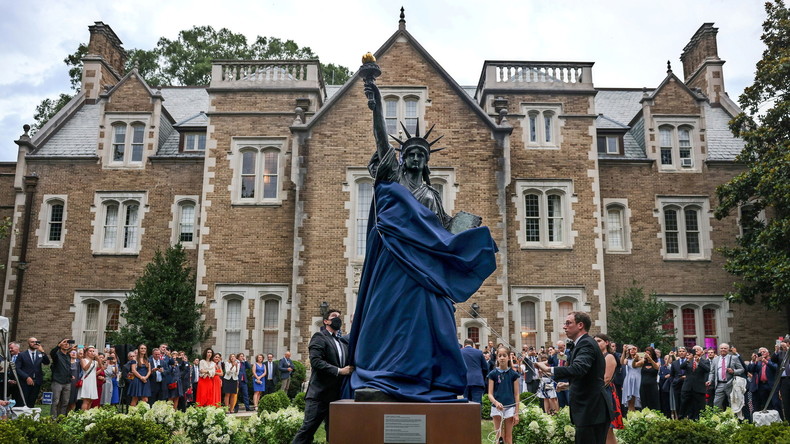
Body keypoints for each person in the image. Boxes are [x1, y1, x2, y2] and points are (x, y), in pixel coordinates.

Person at [347, 77, 497, 403]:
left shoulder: (431, 193)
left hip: (424, 266)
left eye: (421, 155)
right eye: (411, 153)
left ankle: (427, 375)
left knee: (432, 316)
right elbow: (382, 141)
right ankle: (382, 373)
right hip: (393, 260)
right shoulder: (393, 177)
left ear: (427, 161)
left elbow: (443, 230)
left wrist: (466, 227)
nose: (416, 158)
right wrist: (377, 104)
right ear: (403, 157)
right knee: (386, 315)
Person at [535, 312, 613, 444]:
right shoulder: (582, 343)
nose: (564, 326)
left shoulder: (586, 343)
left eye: (568, 323)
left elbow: (578, 368)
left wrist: (549, 369)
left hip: (591, 410)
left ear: (580, 325)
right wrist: (568, 385)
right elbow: (587, 375)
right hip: (590, 410)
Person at [292, 308, 353, 444]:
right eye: (334, 316)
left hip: (336, 397)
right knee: (307, 431)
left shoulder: (342, 342)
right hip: (319, 396)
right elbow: (316, 362)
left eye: (339, 316)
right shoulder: (319, 337)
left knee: (334, 433)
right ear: (326, 321)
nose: (337, 318)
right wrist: (339, 371)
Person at [487, 346, 520, 444]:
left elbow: (516, 394)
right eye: (500, 355)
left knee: (508, 437)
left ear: (508, 357)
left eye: (504, 355)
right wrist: (496, 403)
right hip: (497, 408)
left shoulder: (513, 374)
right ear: (497, 357)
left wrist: (516, 413)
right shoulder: (492, 374)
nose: (502, 358)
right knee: (499, 436)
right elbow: (490, 394)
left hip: (510, 407)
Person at [594, 333, 622, 444]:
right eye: (595, 341)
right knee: (599, 428)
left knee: (608, 429)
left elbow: (606, 379)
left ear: (606, 343)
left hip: (606, 392)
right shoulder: (597, 357)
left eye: (599, 341)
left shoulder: (609, 357)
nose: (596, 343)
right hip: (597, 391)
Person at [706, 343, 744, 409]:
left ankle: (733, 415)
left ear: (728, 349)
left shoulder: (734, 358)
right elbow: (712, 372)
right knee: (716, 403)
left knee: (732, 402)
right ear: (719, 349)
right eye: (721, 348)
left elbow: (742, 369)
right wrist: (710, 380)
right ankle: (716, 415)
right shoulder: (715, 359)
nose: (723, 349)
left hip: (731, 384)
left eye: (725, 348)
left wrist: (734, 371)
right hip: (719, 384)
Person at [16, 337, 51, 407]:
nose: (35, 343)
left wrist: (42, 351)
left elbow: (47, 362)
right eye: (32, 342)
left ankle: (31, 412)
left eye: (36, 342)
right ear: (28, 343)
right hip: (25, 382)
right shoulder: (22, 355)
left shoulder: (40, 354)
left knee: (32, 401)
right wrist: (26, 377)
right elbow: (17, 368)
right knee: (23, 401)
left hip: (37, 381)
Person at [680, 345, 709, 420]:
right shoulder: (689, 361)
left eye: (697, 350)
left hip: (699, 388)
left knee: (699, 407)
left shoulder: (705, 361)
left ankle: (698, 420)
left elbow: (707, 370)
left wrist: (699, 362)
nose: (696, 351)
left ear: (702, 352)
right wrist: (688, 360)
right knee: (686, 405)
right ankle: (684, 419)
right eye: (694, 350)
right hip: (688, 387)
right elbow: (681, 367)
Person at [49, 338, 74, 417]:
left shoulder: (68, 356)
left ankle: (61, 418)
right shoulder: (57, 355)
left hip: (67, 382)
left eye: (68, 343)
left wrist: (70, 375)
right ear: (60, 344)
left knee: (65, 402)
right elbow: (52, 353)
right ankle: (53, 418)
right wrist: (58, 346)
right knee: (56, 401)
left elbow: (67, 367)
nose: (66, 344)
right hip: (57, 381)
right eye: (64, 342)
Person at [460, 338, 488, 404]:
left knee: (466, 404)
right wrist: (482, 377)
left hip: (465, 381)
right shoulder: (479, 352)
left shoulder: (460, 352)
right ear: (472, 345)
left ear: (464, 345)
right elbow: (485, 368)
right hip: (477, 380)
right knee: (477, 404)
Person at [635, 346, 660, 411]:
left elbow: (657, 367)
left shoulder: (656, 362)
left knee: (654, 404)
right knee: (644, 404)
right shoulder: (643, 362)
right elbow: (634, 365)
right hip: (643, 386)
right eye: (646, 354)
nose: (648, 356)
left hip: (653, 386)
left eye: (649, 354)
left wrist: (650, 359)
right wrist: (635, 359)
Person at [620, 345, 642, 412]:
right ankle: (630, 413)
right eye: (630, 349)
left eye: (634, 349)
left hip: (637, 378)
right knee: (630, 398)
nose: (632, 350)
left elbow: (636, 364)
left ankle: (636, 412)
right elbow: (622, 362)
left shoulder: (640, 359)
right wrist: (624, 351)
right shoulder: (627, 359)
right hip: (629, 379)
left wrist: (637, 355)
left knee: (636, 397)